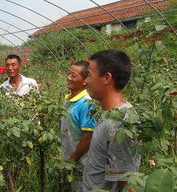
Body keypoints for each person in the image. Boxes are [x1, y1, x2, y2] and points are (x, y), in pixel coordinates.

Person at [82, 49, 141, 192]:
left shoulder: (121, 123)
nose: (86, 81)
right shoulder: (109, 115)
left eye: (89, 75)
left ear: (107, 78)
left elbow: (127, 185)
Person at [60, 60, 96, 191]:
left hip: (81, 162)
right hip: (70, 159)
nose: (68, 77)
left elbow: (88, 137)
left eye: (73, 75)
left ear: (85, 80)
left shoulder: (86, 103)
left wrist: (73, 159)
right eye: (69, 73)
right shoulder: (69, 99)